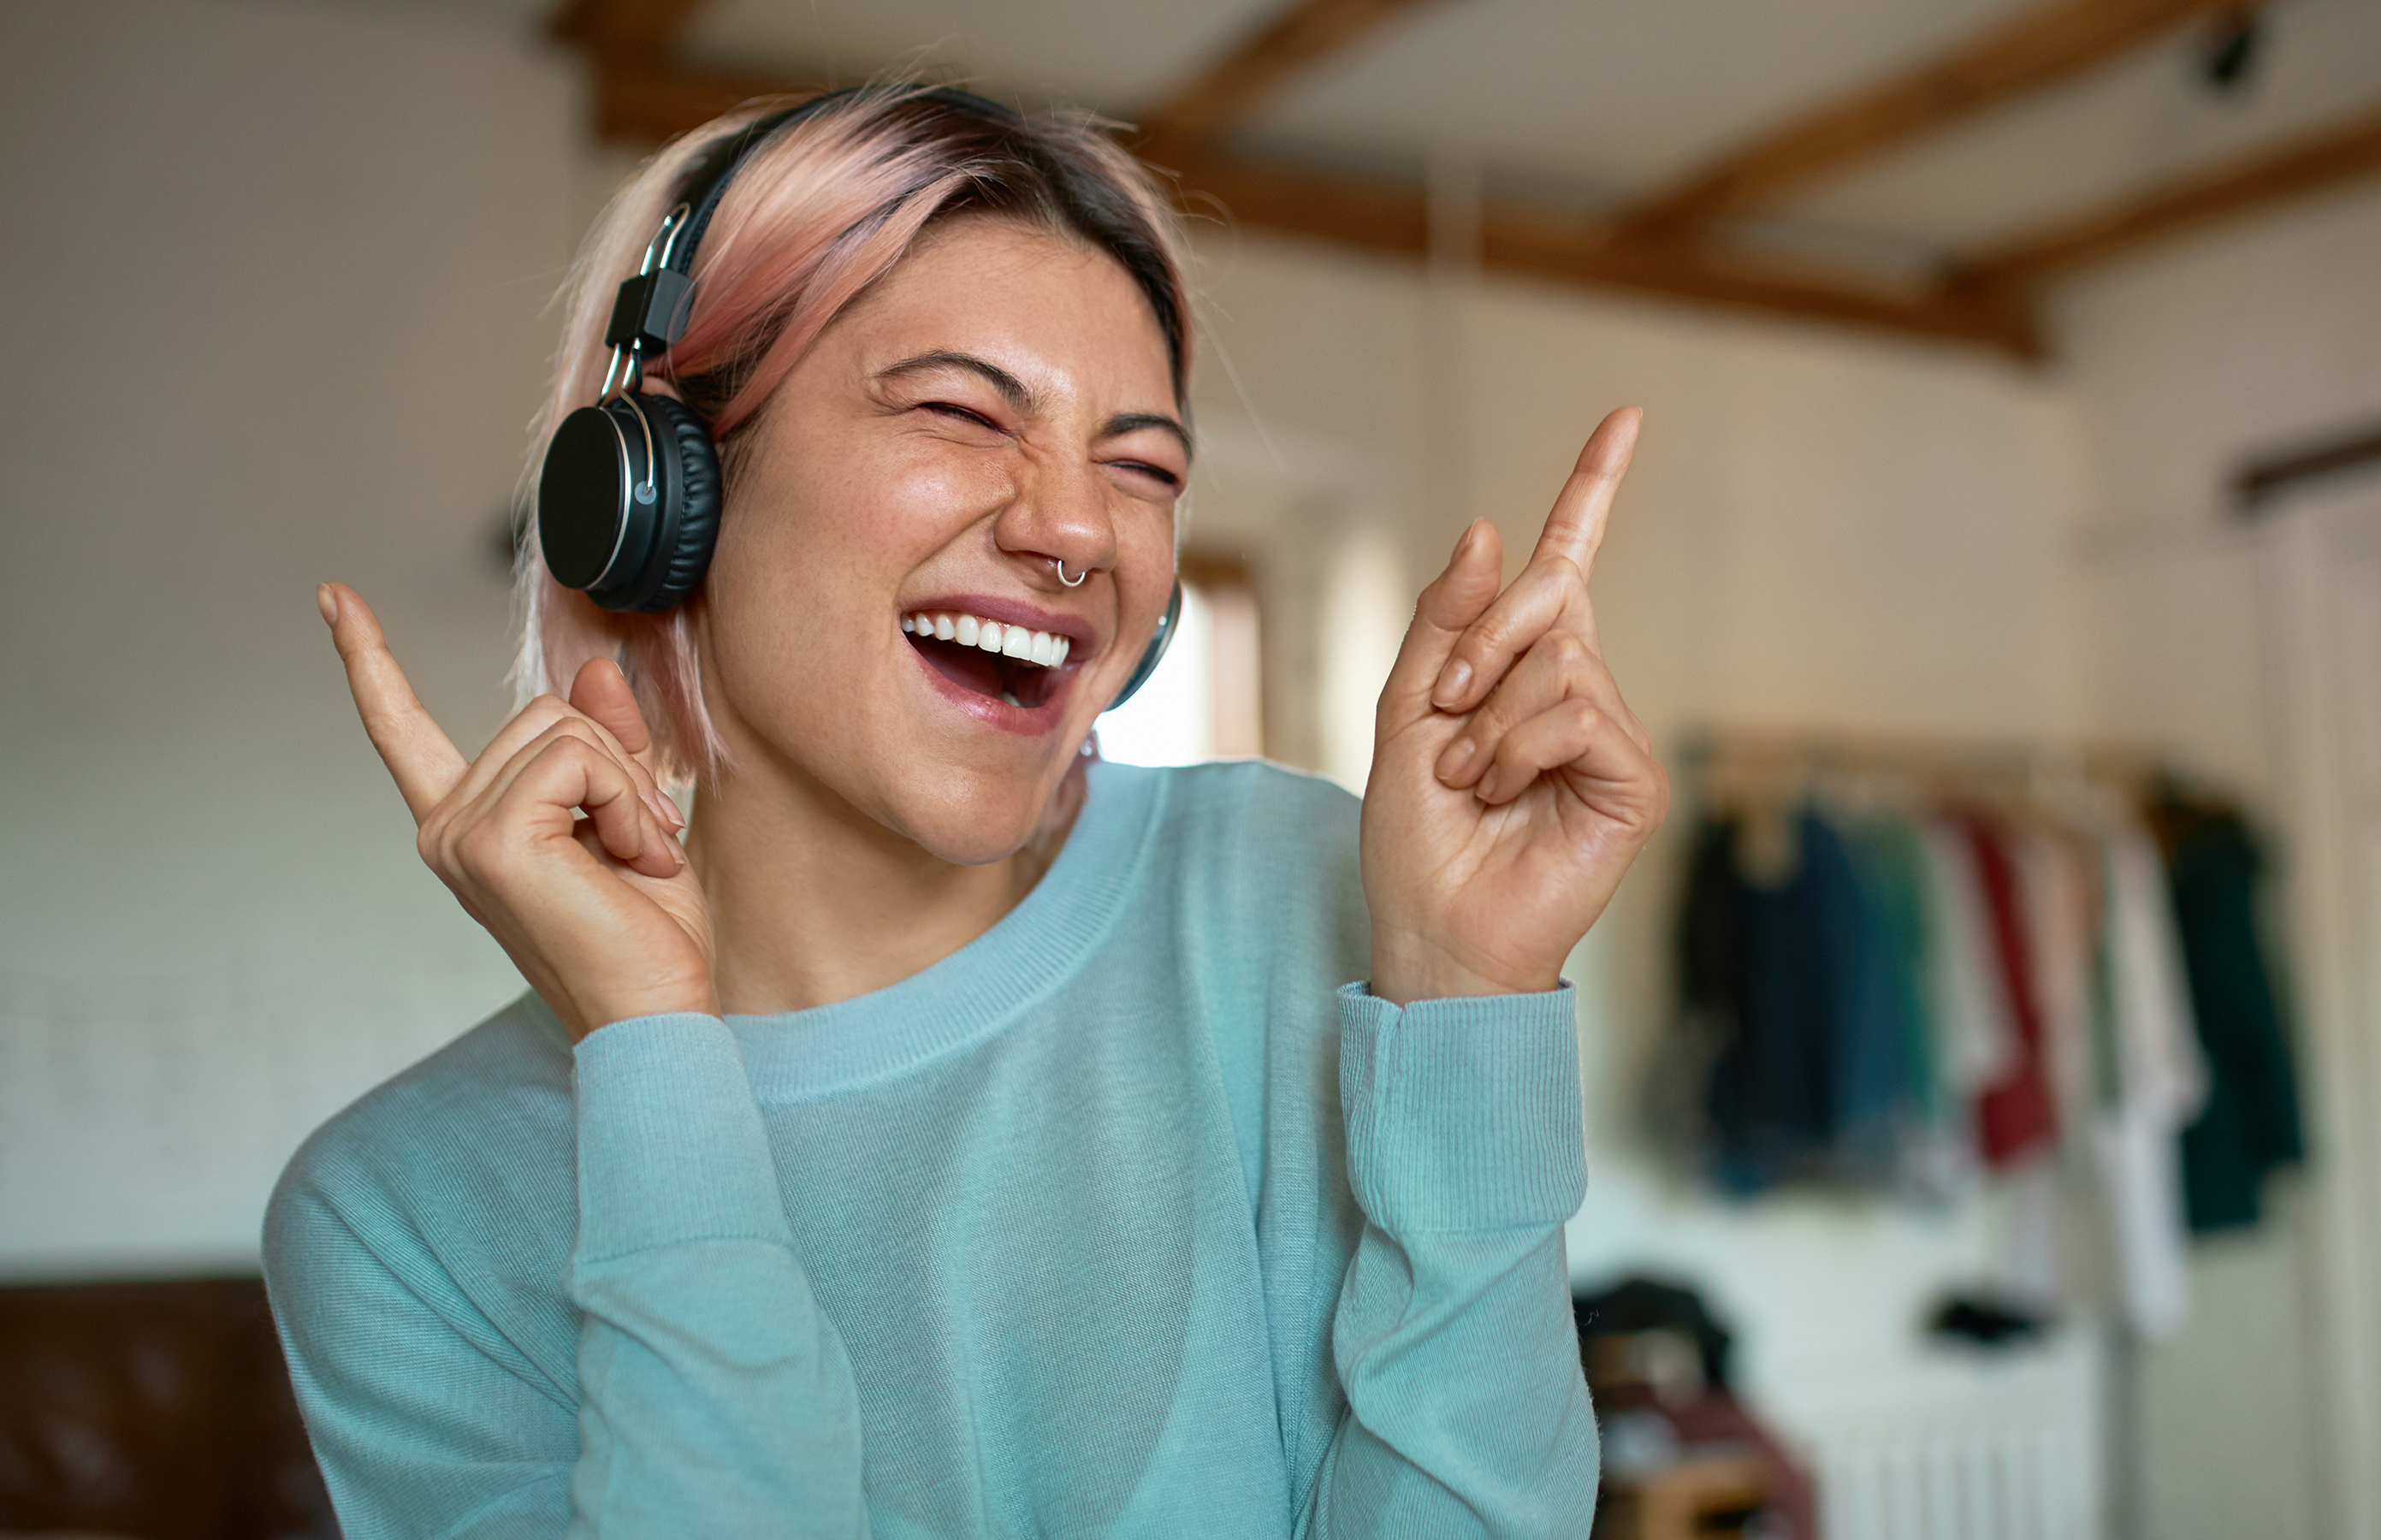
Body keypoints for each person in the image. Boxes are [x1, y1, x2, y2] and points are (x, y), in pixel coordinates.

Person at [263, 83, 1667, 1538]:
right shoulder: (393, 1220)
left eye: (1142, 468)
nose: (1075, 529)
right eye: (955, 411)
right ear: (669, 488)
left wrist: (1460, 1005)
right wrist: (657, 1066)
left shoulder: (1309, 898)